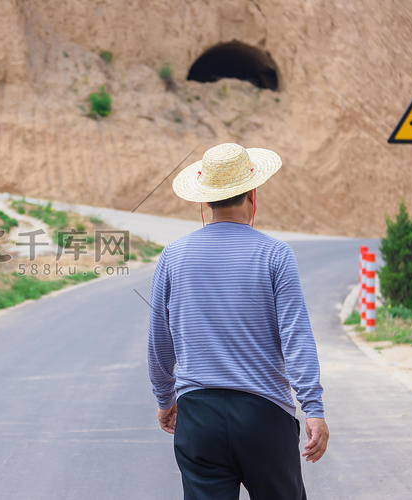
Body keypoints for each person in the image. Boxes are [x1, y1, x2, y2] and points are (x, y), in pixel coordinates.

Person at [147, 143, 329, 500]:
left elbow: (159, 341)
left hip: (198, 417)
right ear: (253, 194)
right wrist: (313, 407)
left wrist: (165, 398)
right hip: (264, 416)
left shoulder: (173, 256)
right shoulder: (276, 255)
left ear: (204, 202)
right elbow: (296, 337)